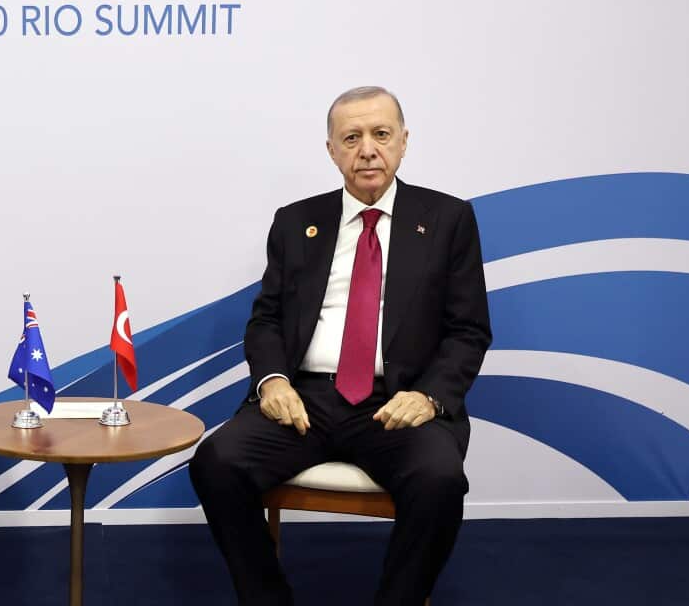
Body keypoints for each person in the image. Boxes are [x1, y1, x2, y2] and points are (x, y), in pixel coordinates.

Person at [189, 86, 492, 605]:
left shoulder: (448, 220)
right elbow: (267, 319)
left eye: (381, 134)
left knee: (440, 481)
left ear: (403, 142)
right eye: (351, 138)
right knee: (216, 462)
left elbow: (468, 330)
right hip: (305, 399)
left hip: (396, 403)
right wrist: (272, 380)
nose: (367, 149)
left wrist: (428, 397)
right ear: (331, 149)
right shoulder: (295, 221)